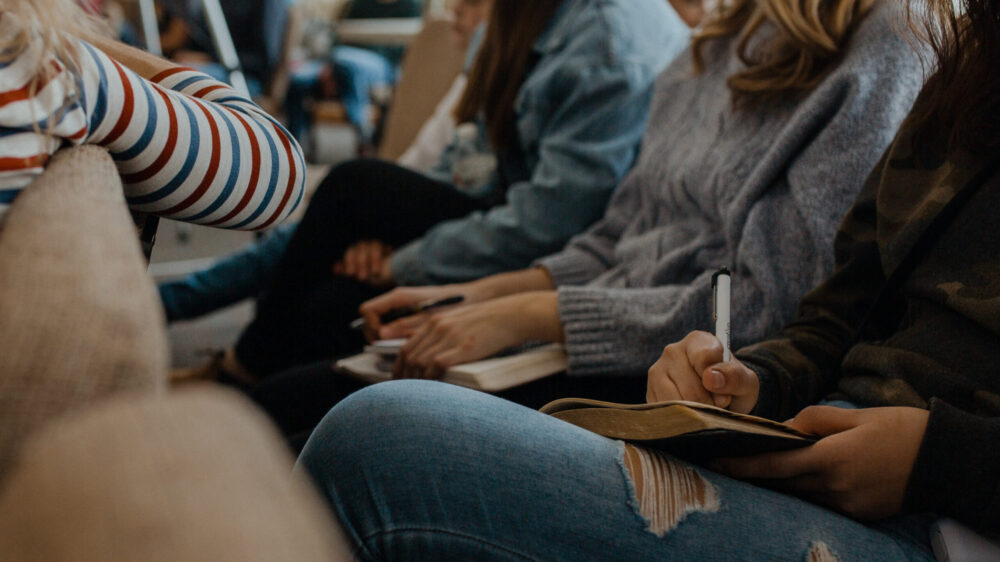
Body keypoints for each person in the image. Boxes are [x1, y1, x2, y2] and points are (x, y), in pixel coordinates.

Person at [298, 0, 1000, 556]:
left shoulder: (895, 40)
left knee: (371, 437)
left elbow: (766, 288)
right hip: (806, 440)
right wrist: (753, 379)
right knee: (342, 359)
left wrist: (937, 460)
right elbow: (834, 313)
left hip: (937, 516)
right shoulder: (961, 69)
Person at [245, 0, 928, 445]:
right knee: (336, 321)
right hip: (594, 326)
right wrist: (480, 296)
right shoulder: (711, 45)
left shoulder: (884, 43)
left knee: (313, 420)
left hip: (667, 372)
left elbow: (765, 308)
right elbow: (616, 234)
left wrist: (528, 316)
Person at [181, 0, 691, 384]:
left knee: (350, 203)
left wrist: (407, 260)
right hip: (511, 218)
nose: (454, 12)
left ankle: (243, 373)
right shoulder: (529, 20)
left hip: (556, 246)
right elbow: (470, 169)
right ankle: (245, 379)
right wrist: (396, 245)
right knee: (338, 266)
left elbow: (552, 223)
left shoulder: (608, 44)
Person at [158, 0, 494, 323]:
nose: (456, 8)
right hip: (407, 196)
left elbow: (458, 182)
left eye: (476, 1)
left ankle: (178, 309)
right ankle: (180, 309)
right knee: (306, 234)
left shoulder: (488, 77)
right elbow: (422, 165)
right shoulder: (469, 75)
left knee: (321, 215)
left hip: (422, 211)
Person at [0, 0, 305, 230]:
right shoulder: (36, 67)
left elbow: (262, 59)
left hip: (242, 73)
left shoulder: (37, 67)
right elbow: (281, 167)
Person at [282, 0, 424, 143]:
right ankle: (294, 142)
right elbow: (339, 38)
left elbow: (413, 52)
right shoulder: (358, 3)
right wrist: (329, 68)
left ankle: (362, 134)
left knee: (348, 64)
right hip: (338, 62)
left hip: (382, 65)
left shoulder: (412, 5)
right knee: (298, 80)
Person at [158, 0, 290, 96]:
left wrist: (209, 59)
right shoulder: (222, 5)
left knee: (180, 79)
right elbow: (205, 38)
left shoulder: (267, 4)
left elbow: (263, 60)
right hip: (218, 66)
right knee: (168, 71)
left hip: (245, 76)